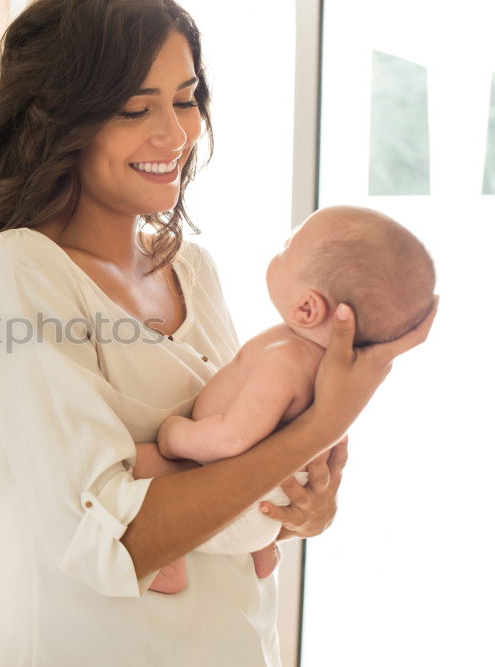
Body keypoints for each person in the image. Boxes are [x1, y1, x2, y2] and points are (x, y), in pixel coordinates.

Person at [0, 1, 438, 664]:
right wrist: (322, 423)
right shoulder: (17, 271)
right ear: (61, 118)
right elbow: (114, 541)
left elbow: (236, 477)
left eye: (186, 99)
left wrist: (301, 509)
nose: (175, 134)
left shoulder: (191, 270)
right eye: (134, 108)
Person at [137, 205, 436, 595]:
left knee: (141, 463)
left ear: (308, 308)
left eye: (287, 246)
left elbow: (232, 439)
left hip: (240, 507)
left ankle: (168, 564)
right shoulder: (318, 363)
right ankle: (262, 547)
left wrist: (175, 436)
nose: (278, 251)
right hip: (261, 504)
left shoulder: (286, 361)